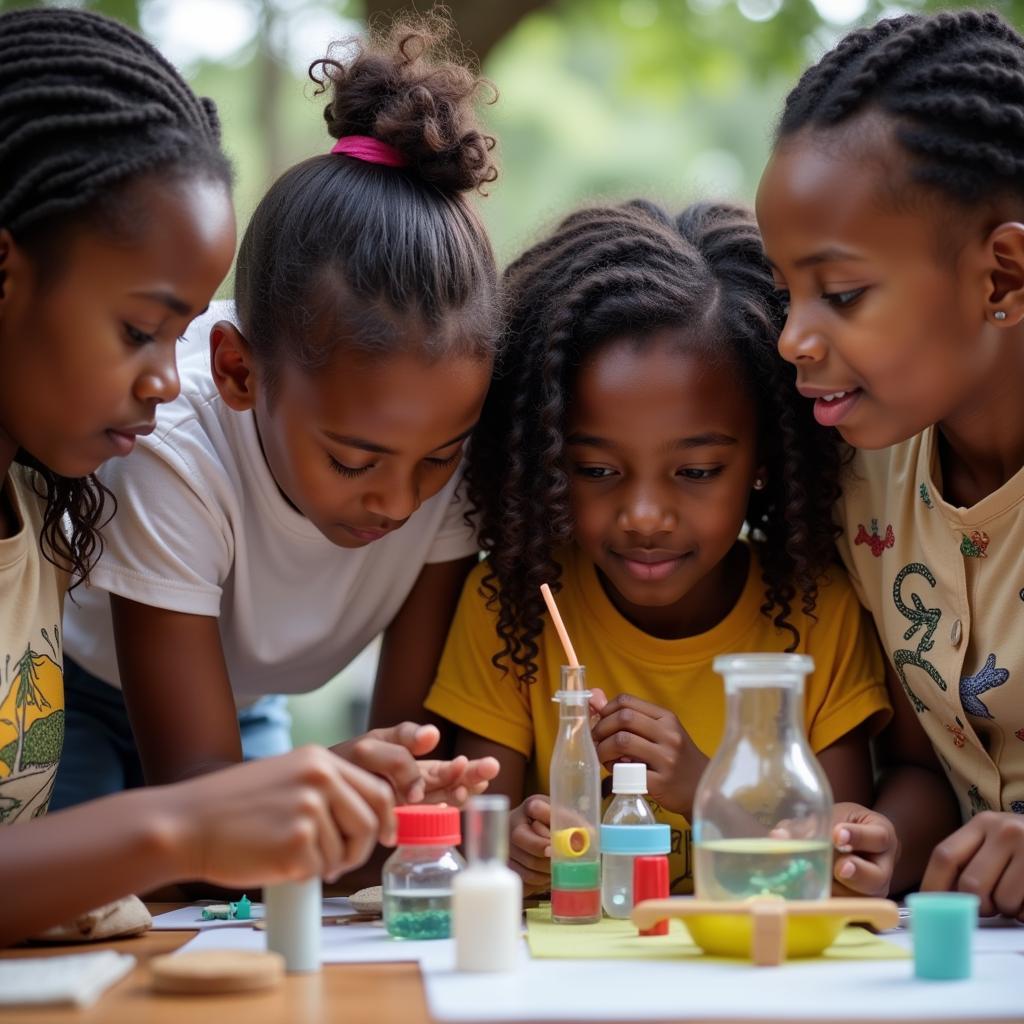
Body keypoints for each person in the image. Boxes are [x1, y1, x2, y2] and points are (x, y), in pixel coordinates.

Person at [0, 7, 397, 947]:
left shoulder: (41, 516)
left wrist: (288, 794)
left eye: (179, 337)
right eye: (140, 330)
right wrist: (183, 823)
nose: (167, 381)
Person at [54, 13, 500, 808]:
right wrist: (347, 792)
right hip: (75, 694)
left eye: (436, 459)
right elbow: (201, 807)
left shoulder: (454, 458)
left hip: (243, 705)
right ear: (238, 372)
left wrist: (401, 783)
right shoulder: (170, 448)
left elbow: (411, 761)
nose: (398, 503)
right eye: (353, 460)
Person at [426, 199, 896, 896]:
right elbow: (471, 829)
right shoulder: (514, 607)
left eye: (697, 472)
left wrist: (707, 782)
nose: (645, 516)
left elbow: (836, 859)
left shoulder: (814, 615)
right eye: (598, 471)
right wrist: (514, 849)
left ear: (763, 458)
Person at [756, 9, 1024, 919]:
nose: (793, 337)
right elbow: (919, 763)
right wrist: (871, 843)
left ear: (1003, 277)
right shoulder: (861, 486)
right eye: (787, 291)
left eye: (840, 294)